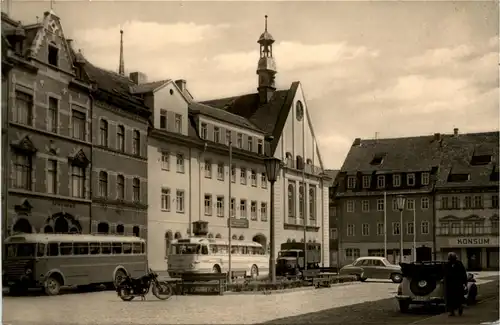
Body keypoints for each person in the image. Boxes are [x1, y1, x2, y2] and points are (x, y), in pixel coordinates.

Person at [444, 252, 467, 316]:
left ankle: (458, 308)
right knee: (452, 298)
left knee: (456, 297)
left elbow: (463, 273)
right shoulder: (448, 264)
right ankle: (453, 311)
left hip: (456, 284)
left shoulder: (458, 264)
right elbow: (445, 273)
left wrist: (464, 282)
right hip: (452, 284)